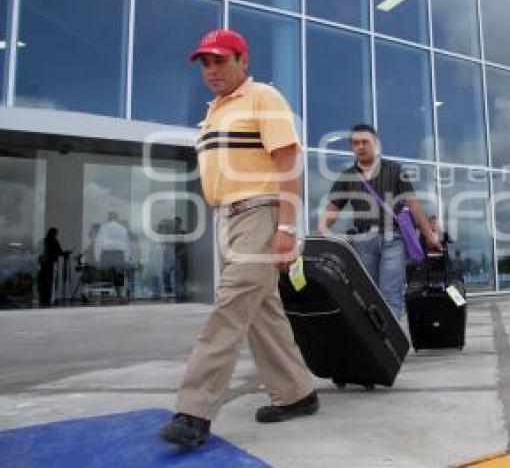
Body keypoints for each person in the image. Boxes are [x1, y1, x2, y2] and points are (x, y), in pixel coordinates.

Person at [159, 29, 316, 448]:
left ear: (242, 61)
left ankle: (194, 410)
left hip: (260, 213)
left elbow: (288, 163)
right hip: (226, 219)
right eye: (205, 63)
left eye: (220, 61)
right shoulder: (214, 110)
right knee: (262, 312)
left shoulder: (263, 97)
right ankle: (297, 392)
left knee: (230, 307)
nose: (211, 70)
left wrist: (286, 227)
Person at [317, 124, 441, 319]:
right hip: (363, 241)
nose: (360, 146)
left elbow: (413, 205)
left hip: (394, 239)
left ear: (375, 144)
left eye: (364, 142)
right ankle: (376, 342)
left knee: (390, 292)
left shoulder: (394, 170)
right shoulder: (348, 176)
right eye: (355, 143)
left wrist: (429, 236)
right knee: (369, 292)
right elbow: (333, 208)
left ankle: (391, 344)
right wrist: (321, 232)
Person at [94, 211, 131, 298]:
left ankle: (105, 296)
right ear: (117, 218)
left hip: (107, 254)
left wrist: (97, 258)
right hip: (119, 254)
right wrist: (126, 258)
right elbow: (127, 244)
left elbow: (98, 243)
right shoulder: (122, 228)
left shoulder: (103, 228)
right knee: (119, 276)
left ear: (109, 218)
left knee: (106, 277)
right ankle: (120, 296)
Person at [37, 228, 63, 308]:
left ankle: (42, 299)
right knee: (50, 283)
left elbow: (38, 251)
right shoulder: (54, 241)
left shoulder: (43, 241)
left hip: (43, 265)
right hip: (51, 265)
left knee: (43, 282)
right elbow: (59, 252)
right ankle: (48, 300)